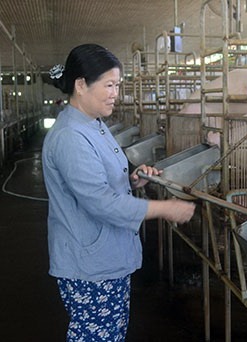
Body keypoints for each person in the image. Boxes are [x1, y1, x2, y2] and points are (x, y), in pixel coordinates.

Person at [42, 43, 195, 341]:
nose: (116, 93)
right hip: (89, 265)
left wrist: (133, 181)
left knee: (110, 334)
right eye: (109, 85)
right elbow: (100, 202)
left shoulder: (93, 125)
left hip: (105, 258)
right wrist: (164, 209)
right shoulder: (71, 137)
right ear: (81, 85)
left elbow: (101, 184)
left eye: (118, 85)